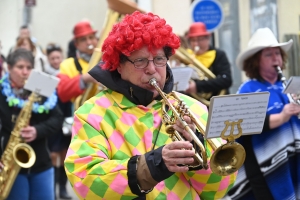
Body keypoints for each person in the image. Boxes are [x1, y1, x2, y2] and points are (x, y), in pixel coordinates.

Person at [64, 11, 237, 200]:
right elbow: (86, 182)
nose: (152, 69)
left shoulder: (193, 108)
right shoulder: (92, 114)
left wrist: (197, 150)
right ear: (119, 65)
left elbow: (217, 190)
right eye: (140, 61)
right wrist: (153, 165)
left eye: (159, 59)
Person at [227, 27, 300, 200]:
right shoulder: (248, 89)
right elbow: (243, 124)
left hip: (293, 158)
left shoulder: (287, 87)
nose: (276, 58)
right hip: (262, 167)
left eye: (278, 53)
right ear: (256, 61)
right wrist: (282, 117)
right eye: (269, 54)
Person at [0, 48, 63, 200]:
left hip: (41, 164)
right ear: (9, 68)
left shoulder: (41, 86)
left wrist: (37, 130)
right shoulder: (1, 92)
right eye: (20, 67)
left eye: (29, 68)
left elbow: (57, 118)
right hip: (11, 166)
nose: (25, 72)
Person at [45, 43, 73, 199]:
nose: (56, 60)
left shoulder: (67, 74)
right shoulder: (46, 76)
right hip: (51, 118)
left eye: (58, 57)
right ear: (48, 59)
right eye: (53, 58)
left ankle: (62, 189)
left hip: (66, 116)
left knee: (64, 154)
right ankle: (52, 190)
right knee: (53, 154)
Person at [184, 22, 232, 100]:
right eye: (193, 40)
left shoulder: (219, 55)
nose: (196, 44)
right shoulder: (187, 56)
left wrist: (198, 86)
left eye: (200, 39)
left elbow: (226, 80)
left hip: (218, 103)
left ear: (208, 38)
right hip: (193, 105)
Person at [57, 20, 99, 103]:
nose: (89, 42)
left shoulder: (107, 60)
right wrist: (84, 79)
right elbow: (62, 93)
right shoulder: (67, 64)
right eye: (83, 39)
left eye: (91, 37)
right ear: (76, 44)